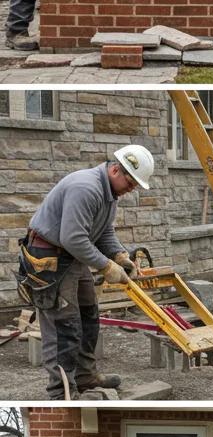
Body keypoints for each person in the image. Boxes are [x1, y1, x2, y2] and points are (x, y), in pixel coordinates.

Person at [18, 145, 154, 398]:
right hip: (50, 257)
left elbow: (103, 231)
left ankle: (84, 376)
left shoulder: (109, 193)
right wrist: (106, 266)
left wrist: (120, 256)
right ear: (115, 169)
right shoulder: (86, 188)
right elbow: (73, 238)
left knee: (89, 315)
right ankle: (61, 393)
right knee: (64, 326)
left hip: (71, 256)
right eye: (132, 181)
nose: (132, 188)